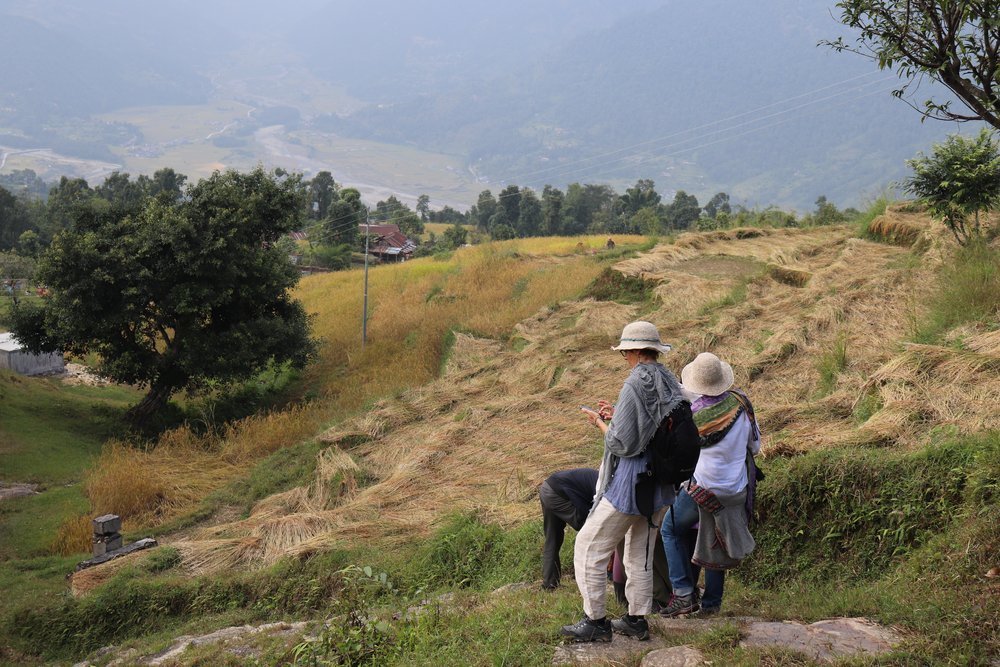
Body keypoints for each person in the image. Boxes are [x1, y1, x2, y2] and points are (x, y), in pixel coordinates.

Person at [560, 321, 683, 643]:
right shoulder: (669, 380)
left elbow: (622, 444)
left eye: (624, 352)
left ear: (631, 350)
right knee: (639, 552)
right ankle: (635, 620)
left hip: (632, 484)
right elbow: (653, 427)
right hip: (661, 485)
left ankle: (595, 621)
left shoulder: (635, 383)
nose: (624, 357)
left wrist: (601, 423)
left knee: (588, 546)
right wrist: (620, 414)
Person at [659, 352, 761, 617]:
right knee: (719, 540)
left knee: (670, 530)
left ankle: (683, 593)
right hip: (735, 490)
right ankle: (712, 605)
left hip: (703, 490)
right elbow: (756, 447)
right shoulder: (742, 404)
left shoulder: (694, 416)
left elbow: (679, 453)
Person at [539, 468, 599, 590]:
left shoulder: (600, 477)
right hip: (556, 493)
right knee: (592, 531)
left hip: (547, 488)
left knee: (552, 539)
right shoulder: (604, 484)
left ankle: (550, 584)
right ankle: (593, 575)